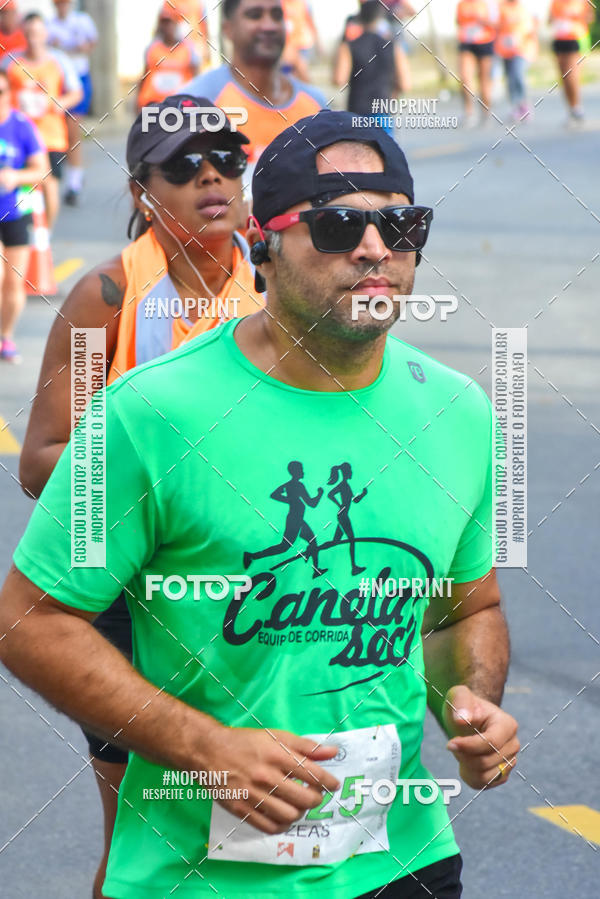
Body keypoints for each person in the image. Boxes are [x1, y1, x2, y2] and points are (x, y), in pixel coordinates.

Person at [2, 109, 519, 899]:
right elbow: (31, 606)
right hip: (200, 877)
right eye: (339, 224)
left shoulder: (460, 411)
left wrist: (471, 706)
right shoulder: (124, 356)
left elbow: (463, 606)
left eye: (401, 224)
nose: (375, 249)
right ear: (265, 244)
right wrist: (206, 748)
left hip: (404, 864)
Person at [18, 93, 262, 899]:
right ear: (140, 191)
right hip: (131, 603)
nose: (211, 177)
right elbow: (40, 458)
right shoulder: (108, 297)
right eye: (184, 167)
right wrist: (156, 485)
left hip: (253, 596)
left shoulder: (275, 282)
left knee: (255, 835)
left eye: (227, 158)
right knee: (144, 835)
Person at [184, 0, 325, 167]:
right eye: (255, 15)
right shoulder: (198, 102)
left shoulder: (315, 106)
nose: (269, 26)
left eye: (277, 16)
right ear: (227, 29)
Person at [2, 12, 82, 228]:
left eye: (37, 32)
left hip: (50, 134)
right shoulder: (10, 61)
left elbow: (76, 92)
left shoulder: (59, 60)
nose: (33, 37)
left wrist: (58, 103)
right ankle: (23, 229)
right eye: (28, 33)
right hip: (20, 134)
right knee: (22, 181)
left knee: (49, 183)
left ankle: (45, 233)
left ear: (45, 33)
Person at [0, 68, 47, 363]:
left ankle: (5, 337)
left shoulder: (21, 125)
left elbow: (41, 169)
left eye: (1, 91)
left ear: (9, 94)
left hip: (16, 212)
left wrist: (16, 177)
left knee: (14, 282)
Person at [46, 0, 98, 206]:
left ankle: (74, 182)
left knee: (73, 129)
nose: (62, 5)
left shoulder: (82, 20)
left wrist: (80, 47)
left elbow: (91, 43)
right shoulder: (49, 24)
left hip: (78, 78)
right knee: (59, 132)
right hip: (58, 81)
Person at [334, 0, 408, 135]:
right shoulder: (394, 47)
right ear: (381, 19)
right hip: (382, 111)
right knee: (385, 153)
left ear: (360, 19)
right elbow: (405, 84)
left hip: (356, 113)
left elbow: (339, 79)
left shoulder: (348, 46)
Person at [137, 3, 201, 111]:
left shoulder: (188, 49)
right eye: (164, 23)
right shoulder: (152, 49)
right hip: (154, 105)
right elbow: (144, 76)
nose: (166, 27)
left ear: (176, 24)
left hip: (181, 105)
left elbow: (196, 77)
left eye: (169, 22)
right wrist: (137, 101)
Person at [548, 0, 594, 125]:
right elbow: (550, 19)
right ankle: (572, 108)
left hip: (575, 38)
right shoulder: (556, 2)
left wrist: (573, 18)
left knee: (571, 74)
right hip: (559, 39)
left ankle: (577, 108)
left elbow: (590, 17)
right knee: (564, 76)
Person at [456, 0, 499, 127]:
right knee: (465, 77)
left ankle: (486, 112)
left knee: (483, 79)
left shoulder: (488, 4)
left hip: (484, 42)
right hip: (467, 43)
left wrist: (483, 21)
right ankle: (469, 112)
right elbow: (458, 21)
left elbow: (497, 23)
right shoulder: (461, 4)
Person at [496, 0, 537, 122]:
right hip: (506, 49)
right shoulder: (501, 7)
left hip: (522, 49)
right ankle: (514, 105)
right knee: (510, 78)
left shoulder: (525, 7)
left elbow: (533, 27)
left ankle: (523, 104)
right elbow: (496, 25)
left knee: (518, 75)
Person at [280, 0, 320, 81]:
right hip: (285, 45)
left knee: (302, 74)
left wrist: (318, 44)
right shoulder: (279, 3)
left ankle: (305, 91)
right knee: (284, 75)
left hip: (301, 45)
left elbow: (311, 23)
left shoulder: (304, 4)